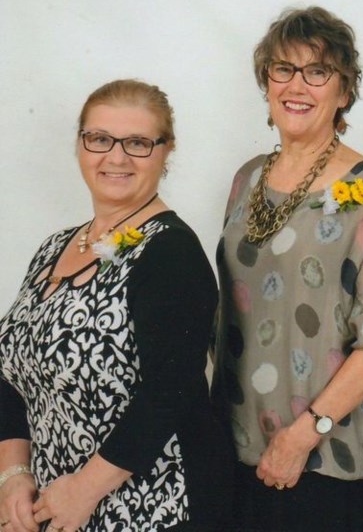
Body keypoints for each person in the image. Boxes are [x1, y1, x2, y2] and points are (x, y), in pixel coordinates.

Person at [211, 6, 363, 532]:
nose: (297, 85)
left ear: (343, 92)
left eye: (317, 71)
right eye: (283, 69)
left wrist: (302, 435)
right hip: (232, 443)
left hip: (322, 454)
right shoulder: (247, 179)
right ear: (266, 82)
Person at [0, 79, 233, 531]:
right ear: (81, 144)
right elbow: (10, 368)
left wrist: (83, 490)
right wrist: (13, 476)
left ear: (167, 151)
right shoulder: (55, 247)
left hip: (156, 508)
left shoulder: (171, 252)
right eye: (100, 138)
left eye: (139, 143)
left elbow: (170, 392)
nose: (116, 157)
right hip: (60, 506)